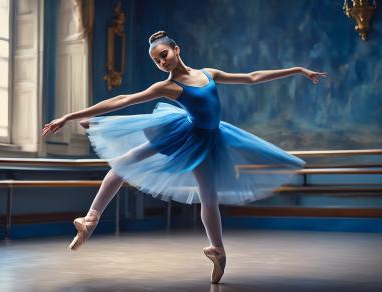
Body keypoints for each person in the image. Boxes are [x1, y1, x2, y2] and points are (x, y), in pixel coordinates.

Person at [42, 31, 327, 284]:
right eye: (157, 61)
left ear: (177, 49)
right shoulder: (166, 87)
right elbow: (122, 100)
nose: (162, 62)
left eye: (164, 55)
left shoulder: (208, 73)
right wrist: (69, 116)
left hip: (207, 138)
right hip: (183, 132)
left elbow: (252, 78)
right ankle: (90, 220)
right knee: (124, 162)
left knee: (209, 197)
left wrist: (298, 70)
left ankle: (218, 250)